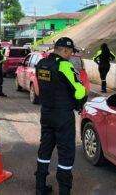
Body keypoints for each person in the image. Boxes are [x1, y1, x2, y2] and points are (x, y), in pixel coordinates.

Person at [35, 37, 88, 195]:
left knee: (44, 150)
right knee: (66, 153)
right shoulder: (64, 65)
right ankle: (64, 191)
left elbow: (39, 90)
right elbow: (79, 91)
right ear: (64, 50)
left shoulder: (41, 64)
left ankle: (40, 188)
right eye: (71, 51)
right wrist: (81, 101)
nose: (71, 55)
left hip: (46, 113)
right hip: (63, 116)